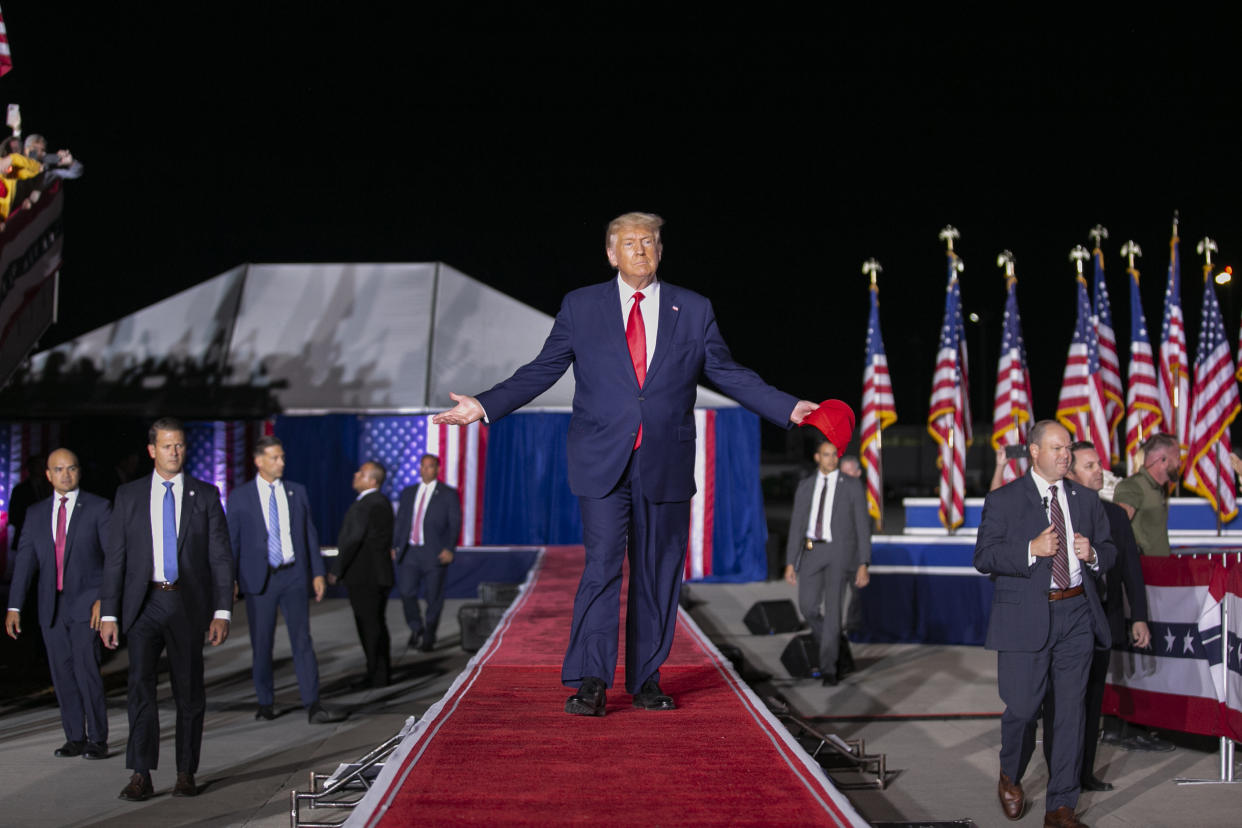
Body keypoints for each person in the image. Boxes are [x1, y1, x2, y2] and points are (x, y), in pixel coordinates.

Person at [433, 211, 817, 716]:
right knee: (602, 566)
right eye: (630, 242)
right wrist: (483, 405)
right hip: (601, 461)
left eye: (650, 241)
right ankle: (591, 678)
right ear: (611, 254)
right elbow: (544, 369)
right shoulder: (582, 306)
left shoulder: (693, 309)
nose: (641, 249)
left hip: (666, 462)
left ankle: (647, 679)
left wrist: (787, 407)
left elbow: (728, 372)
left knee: (658, 574)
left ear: (661, 250)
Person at [973, 420, 1115, 828]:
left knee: (1070, 713)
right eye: (1057, 448)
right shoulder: (1004, 500)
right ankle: (1009, 773)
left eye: (1068, 448)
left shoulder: (1086, 500)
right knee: (1022, 709)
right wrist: (1030, 550)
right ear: (1034, 452)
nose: (1065, 455)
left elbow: (1109, 551)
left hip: (1076, 616)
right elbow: (984, 557)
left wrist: (1093, 556)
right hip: (1024, 618)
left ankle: (1060, 808)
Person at [100, 419, 234, 802]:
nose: (174, 452)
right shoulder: (129, 496)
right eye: (167, 445)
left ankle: (185, 772)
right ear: (151, 450)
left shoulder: (205, 495)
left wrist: (222, 611)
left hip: (187, 605)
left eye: (180, 445)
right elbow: (116, 559)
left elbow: (221, 558)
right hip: (143, 605)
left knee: (189, 691)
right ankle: (141, 773)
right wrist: (109, 612)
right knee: (140, 689)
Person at [1043, 441, 1151, 792]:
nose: (1099, 471)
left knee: (1092, 700)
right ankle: (1060, 775)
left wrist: (1139, 617)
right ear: (1070, 473)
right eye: (1090, 466)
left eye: (1099, 464)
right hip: (1063, 621)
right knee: (1059, 703)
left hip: (1103, 620)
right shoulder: (1056, 512)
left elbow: (1131, 570)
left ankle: (1083, 773)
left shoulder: (1116, 515)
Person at [227, 436, 342, 724]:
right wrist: (229, 581)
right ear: (259, 461)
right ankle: (265, 702)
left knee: (302, 640)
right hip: (260, 580)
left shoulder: (296, 492)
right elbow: (232, 543)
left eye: (282, 457)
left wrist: (317, 572)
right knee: (262, 643)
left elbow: (309, 534)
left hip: (293, 575)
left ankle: (312, 703)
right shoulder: (240, 497)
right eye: (275, 458)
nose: (282, 462)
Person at [5, 449, 111, 759]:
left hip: (87, 603)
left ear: (79, 472)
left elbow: (114, 559)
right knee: (61, 673)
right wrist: (14, 606)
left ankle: (98, 739)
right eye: (59, 469)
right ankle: (74, 737)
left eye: (72, 468)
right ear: (48, 475)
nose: (66, 474)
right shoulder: (36, 513)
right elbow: (24, 561)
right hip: (51, 606)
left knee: (86, 670)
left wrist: (104, 599)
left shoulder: (98, 507)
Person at [783, 433, 870, 686]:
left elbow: (863, 526)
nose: (832, 459)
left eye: (835, 454)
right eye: (827, 454)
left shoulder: (852, 485)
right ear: (817, 457)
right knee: (808, 607)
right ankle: (833, 642)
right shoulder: (806, 485)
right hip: (812, 552)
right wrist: (791, 562)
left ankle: (829, 668)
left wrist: (863, 562)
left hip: (840, 554)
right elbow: (797, 525)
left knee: (833, 612)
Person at [331, 461, 395, 689]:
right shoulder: (380, 502)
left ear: (372, 481)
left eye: (361, 473)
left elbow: (353, 539)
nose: (355, 474)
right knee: (375, 624)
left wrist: (337, 569)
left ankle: (377, 675)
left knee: (369, 626)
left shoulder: (367, 504)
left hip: (365, 576)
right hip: (377, 575)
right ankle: (379, 672)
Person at [392, 454, 461, 652]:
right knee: (406, 592)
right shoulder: (408, 492)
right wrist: (394, 545)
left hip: (434, 553)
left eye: (430, 466)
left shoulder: (448, 494)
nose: (425, 470)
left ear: (437, 469)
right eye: (422, 466)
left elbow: (454, 523)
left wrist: (450, 548)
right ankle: (416, 627)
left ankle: (429, 634)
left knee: (433, 597)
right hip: (410, 552)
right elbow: (401, 521)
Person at [1111, 432, 1178, 557]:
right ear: (1163, 460)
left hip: (1159, 569)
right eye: (1176, 457)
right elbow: (1117, 529)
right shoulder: (1133, 486)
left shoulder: (1157, 489)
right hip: (1144, 571)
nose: (1179, 464)